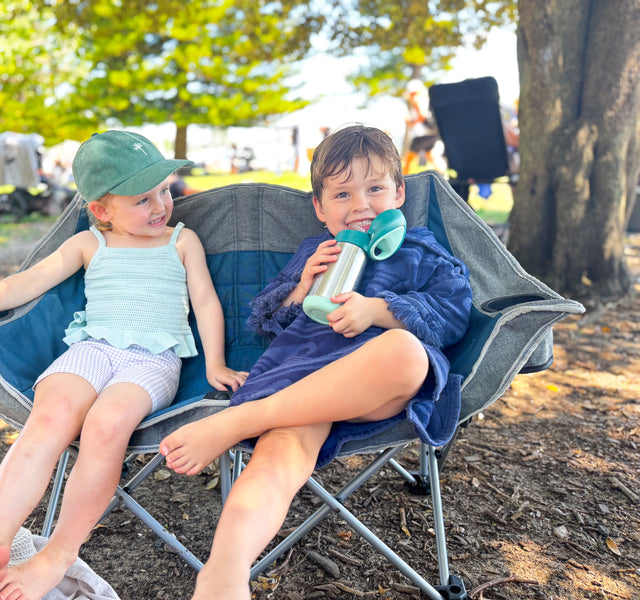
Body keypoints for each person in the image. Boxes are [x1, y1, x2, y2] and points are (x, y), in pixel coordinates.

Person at [160, 125, 472, 600]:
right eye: (342, 193)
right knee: (279, 457)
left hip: (378, 385)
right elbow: (270, 323)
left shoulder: (421, 252)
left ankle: (242, 419)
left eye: (375, 188)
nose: (360, 204)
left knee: (406, 353)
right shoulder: (315, 253)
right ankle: (223, 572)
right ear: (320, 208)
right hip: (304, 384)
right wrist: (303, 286)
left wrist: (380, 312)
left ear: (399, 192)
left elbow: (453, 313)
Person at [0, 130, 248, 600]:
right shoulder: (88, 243)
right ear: (102, 210)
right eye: (143, 199)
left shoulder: (182, 241)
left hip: (151, 361)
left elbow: (205, 302)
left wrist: (216, 363)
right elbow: (29, 281)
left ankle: (57, 554)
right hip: (91, 348)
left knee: (105, 425)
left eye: (165, 189)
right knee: (48, 418)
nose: (162, 205)